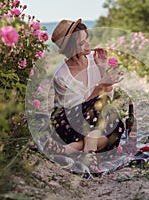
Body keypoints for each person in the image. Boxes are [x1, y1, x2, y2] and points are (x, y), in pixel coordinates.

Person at [45, 18, 125, 157]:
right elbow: (81, 110)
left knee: (116, 125)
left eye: (87, 38)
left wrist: (101, 69)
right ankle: (89, 150)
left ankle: (75, 149)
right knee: (101, 107)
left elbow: (108, 97)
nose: (88, 44)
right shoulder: (61, 75)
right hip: (68, 124)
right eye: (82, 43)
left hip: (92, 125)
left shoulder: (93, 60)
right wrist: (100, 86)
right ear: (71, 48)